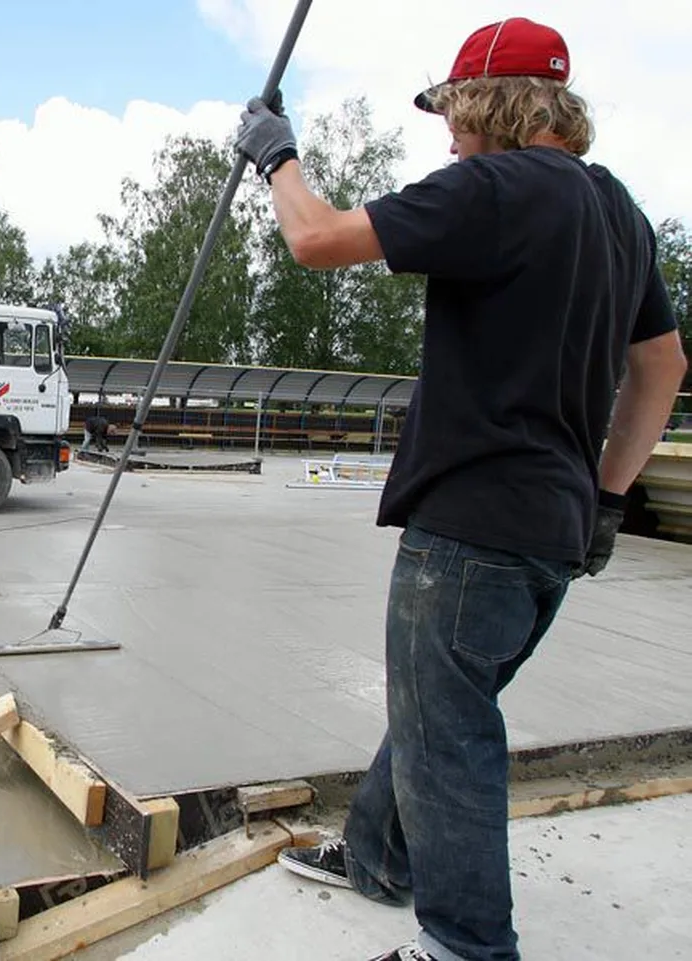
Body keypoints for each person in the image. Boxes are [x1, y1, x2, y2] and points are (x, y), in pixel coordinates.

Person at [234, 17, 686, 961]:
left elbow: (315, 240)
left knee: (449, 741)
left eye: (451, 111)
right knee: (441, 709)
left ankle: (466, 947)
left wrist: (277, 156)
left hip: (470, 527)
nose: (446, 135)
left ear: (489, 104)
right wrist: (609, 494)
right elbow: (663, 365)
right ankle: (377, 858)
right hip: (554, 533)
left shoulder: (496, 187)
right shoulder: (620, 214)